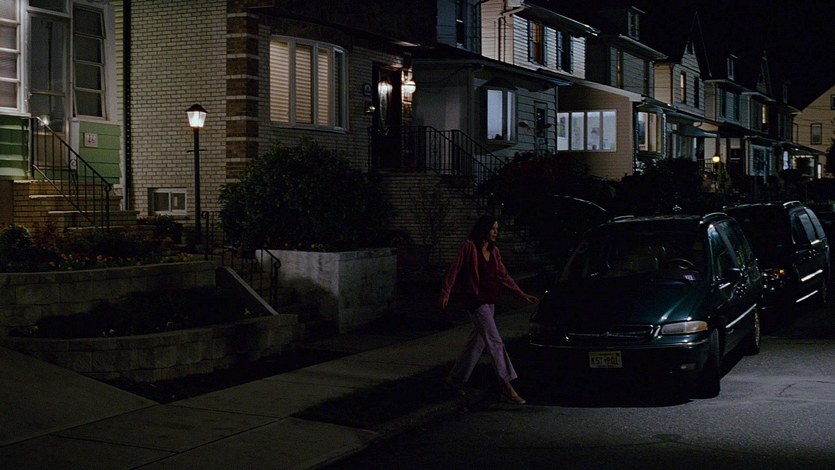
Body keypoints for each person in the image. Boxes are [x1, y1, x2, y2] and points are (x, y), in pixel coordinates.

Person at [438, 215, 539, 404]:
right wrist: (446, 292)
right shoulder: (469, 247)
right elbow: (454, 269)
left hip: (490, 302)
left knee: (476, 343)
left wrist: (521, 294)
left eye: (497, 229)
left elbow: (503, 276)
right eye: (493, 228)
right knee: (495, 341)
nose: (495, 232)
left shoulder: (495, 251)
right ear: (484, 229)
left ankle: (454, 379)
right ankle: (507, 386)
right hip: (476, 303)